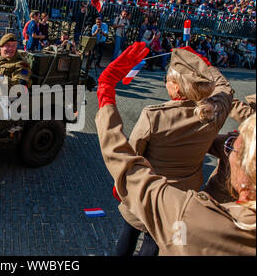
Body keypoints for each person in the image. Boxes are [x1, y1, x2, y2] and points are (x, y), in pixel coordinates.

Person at [95, 42, 255, 255]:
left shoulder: (155, 116)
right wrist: (203, 63)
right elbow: (224, 87)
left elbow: (130, 153)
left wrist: (106, 88)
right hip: (185, 190)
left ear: (177, 87)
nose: (166, 84)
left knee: (129, 233)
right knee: (154, 245)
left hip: (149, 189)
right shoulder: (215, 111)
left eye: (167, 80)